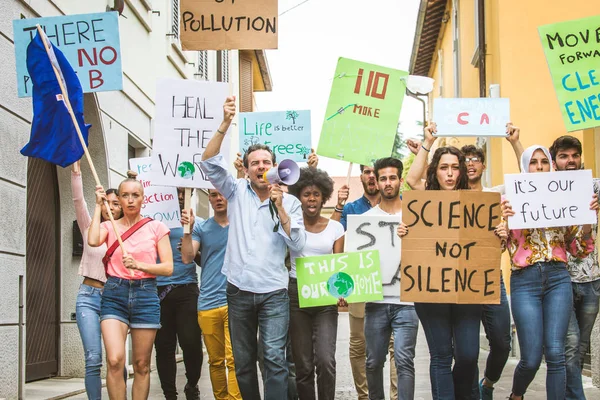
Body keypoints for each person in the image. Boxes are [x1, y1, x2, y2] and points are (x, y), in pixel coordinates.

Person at [200, 96, 306, 400]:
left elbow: (297, 243)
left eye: (266, 163)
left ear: (274, 168)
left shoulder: (291, 202)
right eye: (255, 163)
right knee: (244, 363)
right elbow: (207, 162)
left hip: (274, 291)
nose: (261, 167)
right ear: (246, 170)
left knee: (274, 359)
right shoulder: (234, 192)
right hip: (238, 290)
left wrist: (281, 207)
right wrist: (224, 123)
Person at [403, 122, 507, 399]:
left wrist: (499, 233)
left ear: (462, 171)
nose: (450, 173)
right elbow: (411, 180)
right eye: (443, 167)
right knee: (440, 355)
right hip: (430, 290)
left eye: (455, 167)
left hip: (467, 290)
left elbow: (490, 247)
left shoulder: (478, 203)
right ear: (435, 172)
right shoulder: (425, 199)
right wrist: (429, 141)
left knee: (468, 354)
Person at [502, 145, 597, 400]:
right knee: (531, 358)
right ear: (525, 167)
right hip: (525, 281)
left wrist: (588, 217)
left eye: (544, 161)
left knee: (556, 354)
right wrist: (505, 222)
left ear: (551, 166)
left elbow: (578, 248)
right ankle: (516, 394)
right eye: (534, 162)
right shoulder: (509, 201)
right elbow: (498, 246)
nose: (540, 166)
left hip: (558, 278)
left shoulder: (563, 198)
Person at [88, 172, 173, 399]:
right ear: (119, 199)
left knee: (142, 364)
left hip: (145, 294)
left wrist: (139, 264)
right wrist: (98, 207)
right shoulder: (111, 226)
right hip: (114, 293)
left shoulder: (156, 227)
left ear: (143, 198)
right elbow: (93, 239)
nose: (130, 200)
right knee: (115, 360)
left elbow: (167, 267)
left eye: (135, 195)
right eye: (125, 195)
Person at [330, 164, 398, 400]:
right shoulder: (350, 208)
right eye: (367, 172)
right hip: (361, 285)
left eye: (375, 173)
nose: (371, 177)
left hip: (393, 286)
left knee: (394, 346)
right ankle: (364, 395)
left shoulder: (398, 207)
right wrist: (339, 204)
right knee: (359, 345)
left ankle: (396, 395)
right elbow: (333, 236)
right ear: (362, 177)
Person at [363, 157, 419, 400]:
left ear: (399, 181)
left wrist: (412, 236)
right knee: (374, 362)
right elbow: (356, 260)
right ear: (377, 180)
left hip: (407, 301)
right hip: (375, 302)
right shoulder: (366, 220)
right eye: (383, 178)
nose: (388, 182)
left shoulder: (416, 215)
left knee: (405, 361)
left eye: (392, 177)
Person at [287, 167, 345, 400]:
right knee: (303, 365)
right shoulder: (290, 224)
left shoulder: (336, 228)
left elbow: (339, 266)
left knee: (325, 360)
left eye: (316, 194)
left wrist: (343, 291)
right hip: (296, 296)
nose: (311, 199)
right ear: (299, 197)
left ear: (324, 198)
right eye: (306, 194)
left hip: (325, 299)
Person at [549, 136, 600, 400]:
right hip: (560, 281)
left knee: (579, 347)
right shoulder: (544, 188)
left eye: (574, 155)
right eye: (563, 156)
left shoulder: (595, 187)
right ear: (554, 161)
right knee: (569, 346)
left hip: (592, 280)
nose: (570, 161)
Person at [460, 144, 512, 400]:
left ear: (483, 165)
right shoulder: (451, 198)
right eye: (465, 159)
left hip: (492, 278)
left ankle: (488, 383)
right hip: (460, 282)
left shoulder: (495, 196)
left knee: (503, 344)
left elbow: (529, 180)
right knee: (466, 351)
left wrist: (504, 234)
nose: (470, 163)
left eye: (475, 158)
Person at [180, 189, 242, 400]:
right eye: (214, 194)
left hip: (234, 301)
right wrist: (187, 230)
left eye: (222, 194)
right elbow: (188, 257)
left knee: (234, 359)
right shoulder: (202, 227)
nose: (218, 198)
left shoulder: (240, 223)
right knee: (216, 361)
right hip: (207, 302)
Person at [72, 161, 123, 400]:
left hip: (115, 298)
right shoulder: (89, 226)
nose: (110, 208)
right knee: (93, 358)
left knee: (117, 358)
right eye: (107, 203)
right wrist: (76, 171)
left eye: (116, 203)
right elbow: (77, 200)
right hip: (88, 298)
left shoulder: (126, 233)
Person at [154, 188, 203, 400]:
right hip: (157, 290)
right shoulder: (152, 219)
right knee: (164, 346)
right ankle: (169, 395)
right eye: (176, 192)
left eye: (184, 192)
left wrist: (189, 235)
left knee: (191, 343)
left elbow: (198, 258)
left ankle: (192, 384)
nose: (180, 196)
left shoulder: (198, 222)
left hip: (186, 288)